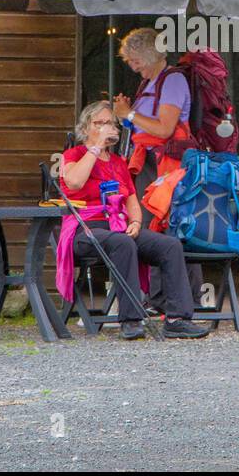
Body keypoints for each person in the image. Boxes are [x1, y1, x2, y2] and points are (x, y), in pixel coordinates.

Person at [60, 100, 210, 340]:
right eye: (99, 123)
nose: (106, 128)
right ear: (86, 128)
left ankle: (177, 319)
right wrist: (96, 147)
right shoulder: (73, 155)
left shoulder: (119, 163)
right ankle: (130, 320)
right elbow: (74, 182)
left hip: (119, 226)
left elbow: (132, 201)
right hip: (85, 230)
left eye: (110, 123)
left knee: (169, 245)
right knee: (123, 243)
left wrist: (136, 223)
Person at [112, 27, 205, 312]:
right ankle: (159, 297)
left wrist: (128, 114)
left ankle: (179, 299)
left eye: (133, 59)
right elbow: (144, 126)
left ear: (148, 54)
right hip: (151, 164)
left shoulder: (173, 81)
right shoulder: (150, 84)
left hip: (168, 166)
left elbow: (164, 129)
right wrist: (128, 117)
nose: (131, 64)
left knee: (165, 228)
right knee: (153, 227)